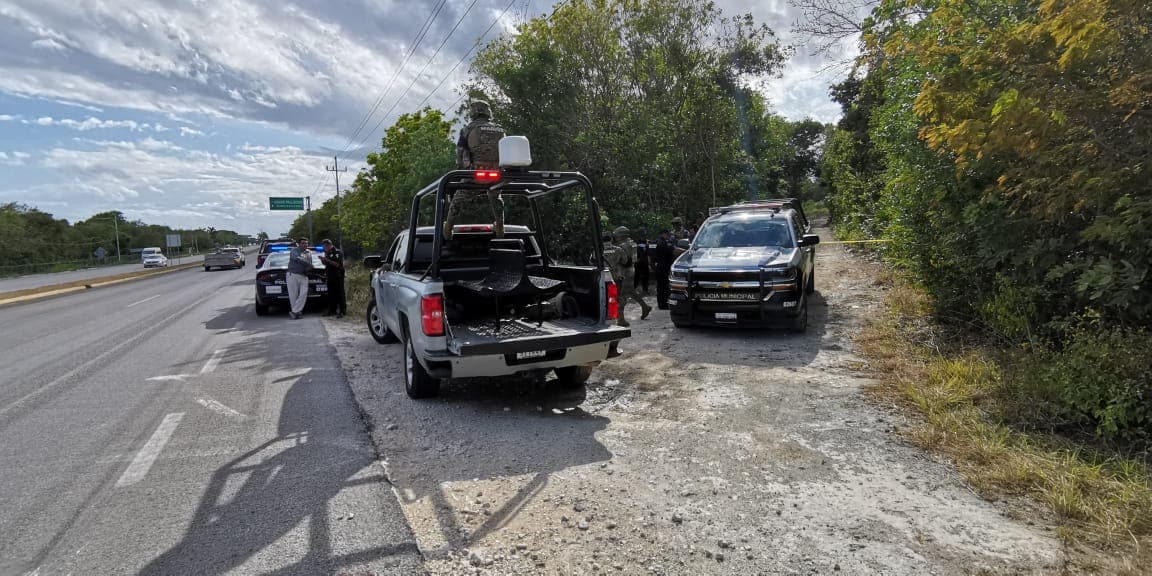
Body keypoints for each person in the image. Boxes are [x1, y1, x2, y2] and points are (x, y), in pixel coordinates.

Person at [445, 100, 508, 239]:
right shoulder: (501, 130)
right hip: (497, 175)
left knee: (458, 198)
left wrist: (459, 172)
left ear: (474, 112)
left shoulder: (467, 129)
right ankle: (500, 227)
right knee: (496, 197)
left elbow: (460, 153)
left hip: (475, 174)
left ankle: (448, 227)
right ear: (488, 112)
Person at [609, 226, 652, 326]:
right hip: (631, 269)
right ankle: (645, 306)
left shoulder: (623, 245)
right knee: (631, 291)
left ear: (621, 235)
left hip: (624, 271)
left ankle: (621, 319)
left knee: (621, 294)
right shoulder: (632, 243)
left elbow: (620, 258)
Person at [286, 237, 313, 319]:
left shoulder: (309, 252)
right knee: (293, 295)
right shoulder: (294, 251)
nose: (305, 245)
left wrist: (309, 267)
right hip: (293, 275)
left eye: (306, 243)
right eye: (303, 243)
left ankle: (294, 311)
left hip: (304, 276)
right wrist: (308, 264)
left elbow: (310, 264)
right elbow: (297, 259)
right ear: (299, 244)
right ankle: (297, 312)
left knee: (303, 294)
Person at [319, 239, 346, 318]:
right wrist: (322, 260)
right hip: (330, 275)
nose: (324, 248)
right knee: (331, 294)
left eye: (324, 246)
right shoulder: (328, 253)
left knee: (340, 294)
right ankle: (332, 310)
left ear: (328, 245)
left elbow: (337, 264)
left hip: (338, 275)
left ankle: (342, 311)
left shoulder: (337, 252)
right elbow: (326, 264)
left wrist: (327, 259)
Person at [653, 229, 676, 310]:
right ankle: (664, 304)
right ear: (664, 234)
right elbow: (671, 251)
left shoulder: (654, 242)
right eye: (668, 234)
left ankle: (661, 304)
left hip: (658, 266)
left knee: (660, 286)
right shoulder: (664, 242)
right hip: (664, 267)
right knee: (665, 286)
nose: (669, 236)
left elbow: (651, 254)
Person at [633, 228, 650, 294]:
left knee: (646, 276)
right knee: (636, 276)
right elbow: (634, 252)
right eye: (643, 235)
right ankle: (634, 289)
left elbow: (650, 252)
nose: (644, 236)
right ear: (640, 236)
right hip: (638, 262)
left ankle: (645, 290)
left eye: (645, 235)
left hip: (645, 262)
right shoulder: (636, 242)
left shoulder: (648, 242)